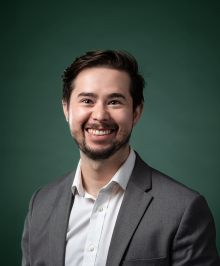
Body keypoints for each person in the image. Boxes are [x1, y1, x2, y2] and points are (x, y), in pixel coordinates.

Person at [22, 50, 220, 266]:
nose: (100, 116)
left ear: (136, 113)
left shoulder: (184, 209)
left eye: (115, 102)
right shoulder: (40, 204)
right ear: (67, 109)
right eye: (87, 100)